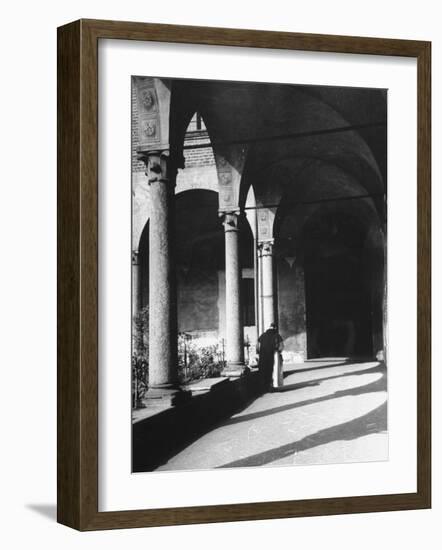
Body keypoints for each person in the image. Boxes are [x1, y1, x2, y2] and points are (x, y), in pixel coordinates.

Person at [257, 323, 283, 392]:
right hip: (273, 355)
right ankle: (271, 387)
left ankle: (263, 388)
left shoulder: (262, 335)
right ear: (275, 328)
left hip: (263, 356)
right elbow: (281, 346)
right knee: (273, 370)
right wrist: (279, 352)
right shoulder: (277, 335)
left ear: (269, 327)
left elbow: (257, 347)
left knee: (263, 370)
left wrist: (259, 353)